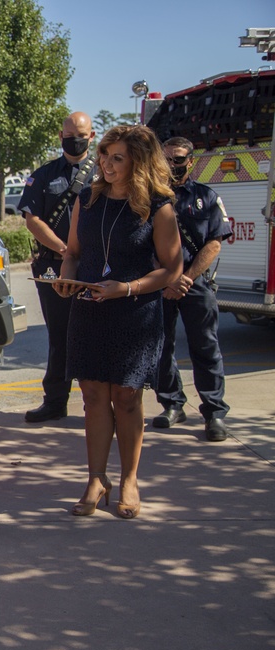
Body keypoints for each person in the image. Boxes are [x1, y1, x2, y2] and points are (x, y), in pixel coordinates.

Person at [54, 125, 182, 520]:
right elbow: (73, 252)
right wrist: (65, 276)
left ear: (138, 162)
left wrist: (126, 288)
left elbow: (173, 269)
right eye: (105, 155)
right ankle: (96, 479)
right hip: (89, 308)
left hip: (134, 312)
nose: (106, 164)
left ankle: (129, 480)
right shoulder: (87, 200)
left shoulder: (158, 206)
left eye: (117, 158)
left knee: (126, 397)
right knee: (92, 396)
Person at [18, 111, 98, 423]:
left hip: (94, 267)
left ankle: (98, 404)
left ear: (91, 136)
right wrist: (65, 251)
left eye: (80, 135)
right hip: (53, 266)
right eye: (68, 135)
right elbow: (32, 219)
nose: (74, 140)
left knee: (96, 335)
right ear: (60, 136)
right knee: (60, 337)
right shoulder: (45, 175)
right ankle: (55, 401)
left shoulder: (105, 174)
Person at [153, 137, 232, 442]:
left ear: (191, 161)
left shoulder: (206, 197)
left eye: (178, 159)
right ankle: (172, 405)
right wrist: (168, 278)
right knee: (161, 348)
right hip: (160, 283)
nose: (172, 164)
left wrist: (184, 277)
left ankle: (214, 413)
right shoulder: (150, 197)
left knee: (206, 348)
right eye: (167, 159)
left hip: (194, 283)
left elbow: (214, 242)